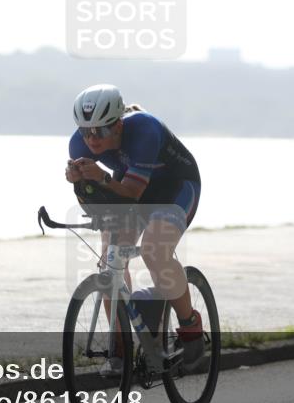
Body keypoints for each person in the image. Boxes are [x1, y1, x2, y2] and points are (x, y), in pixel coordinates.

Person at [64, 84, 204, 374]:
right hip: (129, 186)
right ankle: (121, 347)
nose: (91, 139)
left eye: (100, 131)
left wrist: (101, 177)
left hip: (176, 187)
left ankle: (190, 325)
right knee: (109, 260)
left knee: (155, 251)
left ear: (117, 125)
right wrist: (80, 184)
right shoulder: (78, 145)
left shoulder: (144, 129)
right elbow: (94, 200)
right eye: (85, 130)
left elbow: (132, 192)